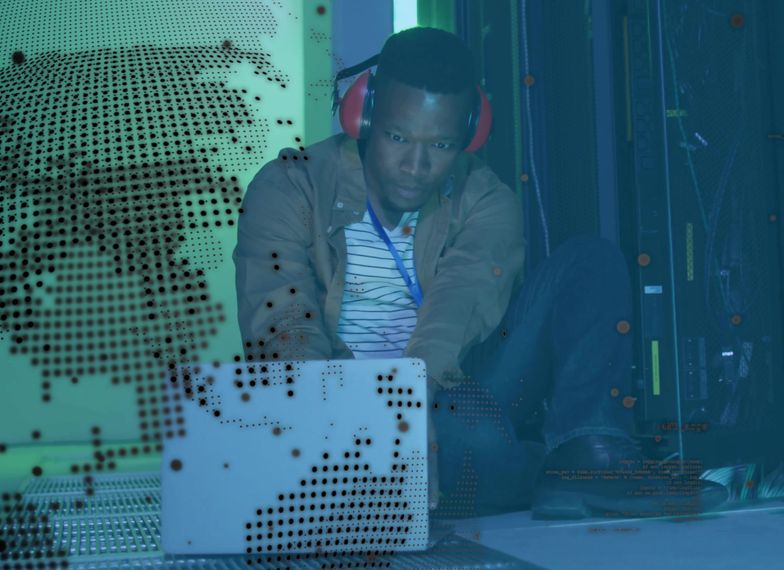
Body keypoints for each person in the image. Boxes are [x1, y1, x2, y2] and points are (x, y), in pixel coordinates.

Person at [233, 26, 720, 520]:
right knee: (474, 445)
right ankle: (541, 472)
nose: (416, 166)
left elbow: (459, 302)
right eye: (398, 137)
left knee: (590, 263)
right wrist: (346, 432)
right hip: (340, 408)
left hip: (446, 389)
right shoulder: (290, 187)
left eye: (441, 145)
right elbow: (285, 323)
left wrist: (412, 395)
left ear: (470, 132)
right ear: (365, 114)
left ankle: (589, 457)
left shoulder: (486, 199)